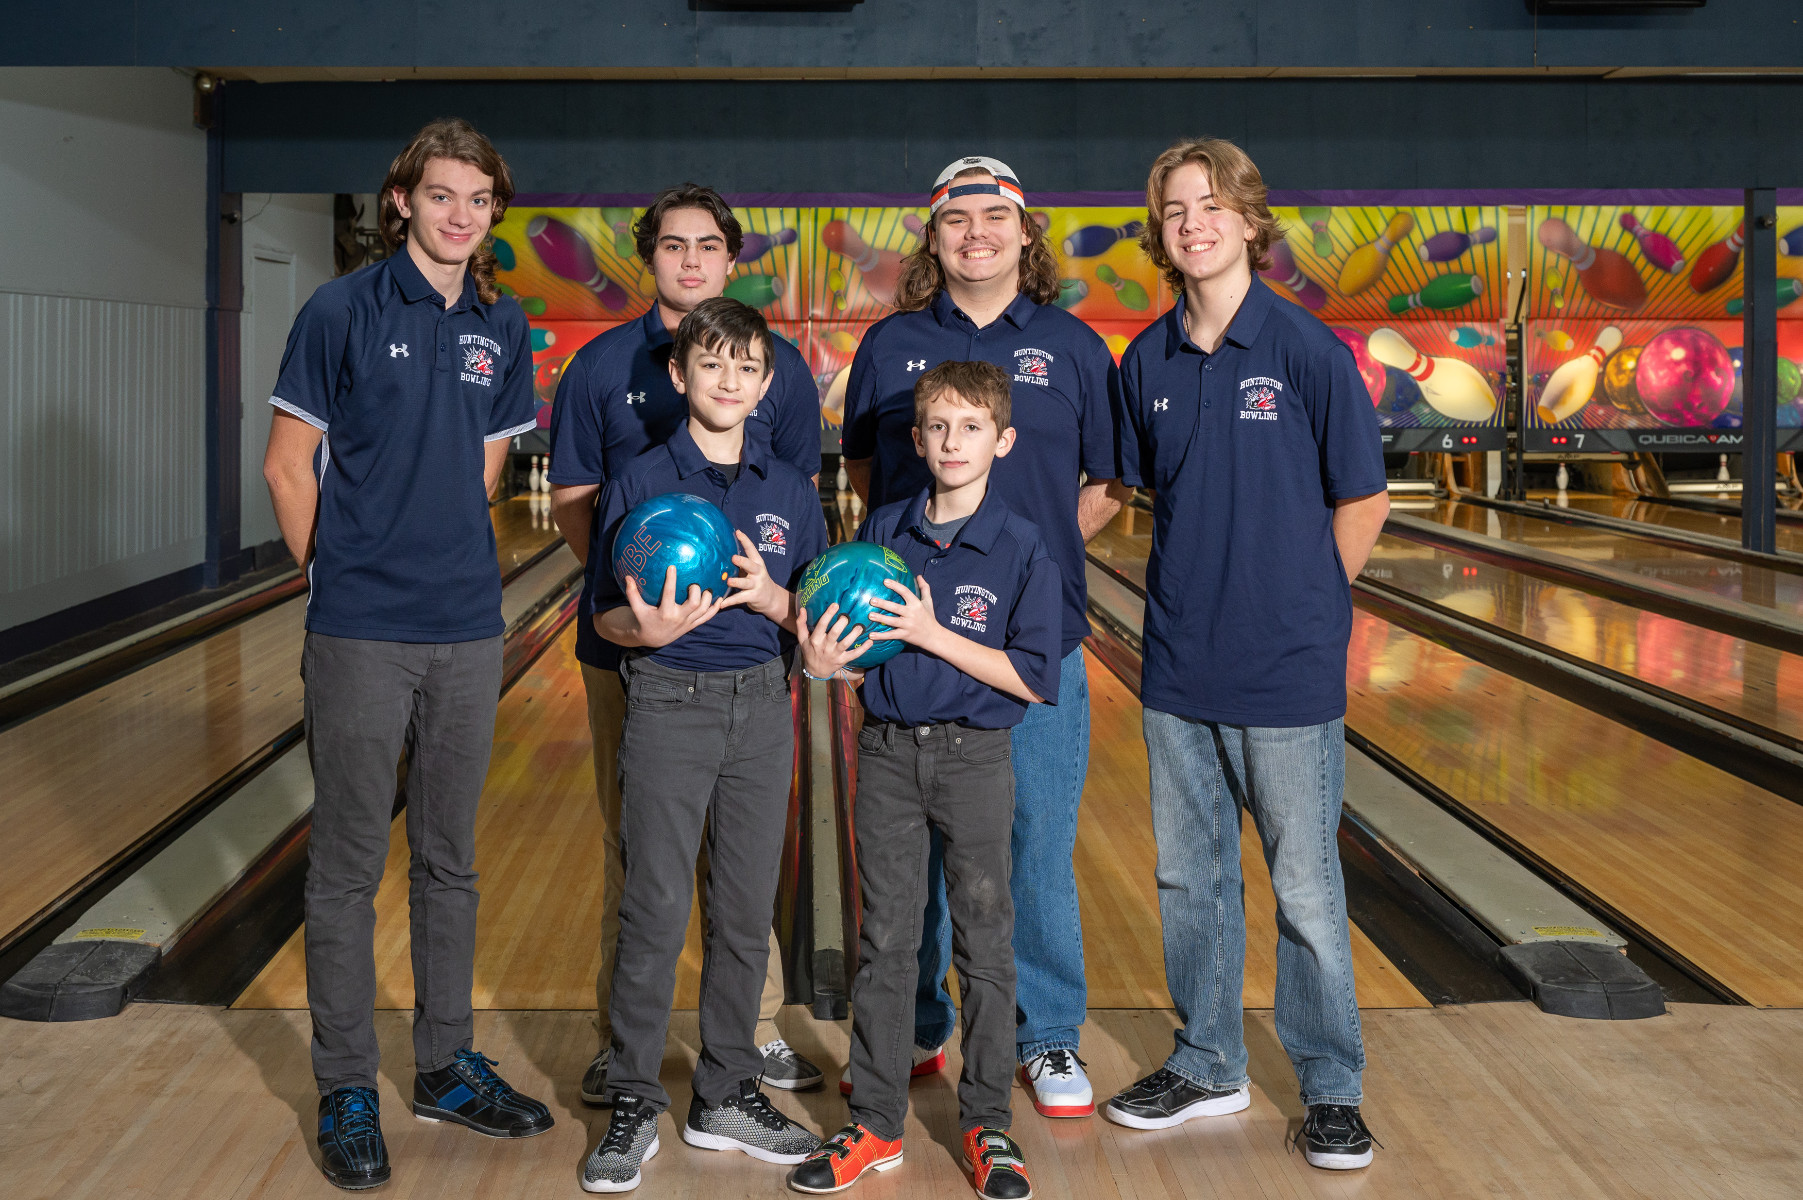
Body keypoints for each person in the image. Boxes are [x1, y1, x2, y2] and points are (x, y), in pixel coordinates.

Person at [262, 118, 552, 1192]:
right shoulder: (340, 310)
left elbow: (482, 474)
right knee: (346, 865)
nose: (461, 215)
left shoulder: (502, 323)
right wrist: (337, 579)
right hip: (361, 631)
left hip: (469, 626)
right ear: (402, 202)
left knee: (449, 859)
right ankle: (345, 1082)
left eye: (479, 200)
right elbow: (289, 466)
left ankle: (442, 1064)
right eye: (442, 196)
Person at [1104, 137, 1389, 1171]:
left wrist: (1310, 605)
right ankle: (1208, 1058)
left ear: (1250, 222)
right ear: (1163, 234)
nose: (1194, 223)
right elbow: (1117, 492)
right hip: (1179, 662)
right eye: (1177, 209)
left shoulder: (1307, 352)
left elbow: (1364, 498)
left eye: (1212, 204)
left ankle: (1331, 1086)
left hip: (1286, 669)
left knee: (1305, 888)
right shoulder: (1147, 360)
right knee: (1191, 880)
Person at [840, 156, 1129, 1120]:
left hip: (1027, 648)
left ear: (1022, 231)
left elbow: (1102, 488)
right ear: (933, 236)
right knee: (910, 855)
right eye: (955, 218)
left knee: (1033, 841)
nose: (975, 233)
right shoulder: (887, 348)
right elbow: (863, 481)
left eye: (992, 217)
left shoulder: (1076, 347)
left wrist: (1008, 581)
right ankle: (918, 1025)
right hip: (903, 641)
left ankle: (1044, 1039)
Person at [546, 184, 826, 1103]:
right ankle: (621, 1046)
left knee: (743, 874)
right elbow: (578, 508)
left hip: (745, 664)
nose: (692, 259)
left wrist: (764, 612)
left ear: (731, 260)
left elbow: (783, 504)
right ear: (650, 256)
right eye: (674, 245)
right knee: (637, 856)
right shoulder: (596, 369)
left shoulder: (772, 364)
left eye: (709, 245)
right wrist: (639, 609)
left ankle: (742, 1040)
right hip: (639, 653)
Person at [787, 360, 1061, 1198]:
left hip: (975, 760)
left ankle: (986, 1126)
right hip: (889, 754)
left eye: (971, 427)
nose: (952, 441)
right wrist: (821, 663)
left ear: (1001, 441)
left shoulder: (1019, 545)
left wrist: (931, 631)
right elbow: (848, 649)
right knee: (886, 945)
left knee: (984, 943)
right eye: (937, 427)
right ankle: (873, 1123)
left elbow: (1031, 675)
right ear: (916, 438)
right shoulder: (885, 532)